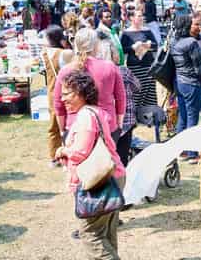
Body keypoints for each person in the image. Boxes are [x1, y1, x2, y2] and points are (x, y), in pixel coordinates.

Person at [54, 70, 125, 260]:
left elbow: (80, 152)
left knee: (91, 235)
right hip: (113, 177)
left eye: (66, 94)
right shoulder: (96, 111)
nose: (62, 99)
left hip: (99, 182)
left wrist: (63, 151)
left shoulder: (85, 116)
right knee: (107, 236)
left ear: (81, 92)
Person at [53, 28, 126, 143]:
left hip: (76, 127)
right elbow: (121, 98)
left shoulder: (66, 70)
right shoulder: (110, 67)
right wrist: (119, 125)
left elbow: (58, 104)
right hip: (106, 126)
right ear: (96, 45)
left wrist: (62, 130)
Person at [171, 15, 201, 163]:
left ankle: (180, 151)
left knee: (183, 116)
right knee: (192, 118)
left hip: (179, 83)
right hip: (192, 84)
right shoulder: (191, 42)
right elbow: (200, 70)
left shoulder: (174, 42)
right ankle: (192, 153)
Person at [42, 25, 74, 168]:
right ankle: (71, 152)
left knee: (54, 125)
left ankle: (54, 155)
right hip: (67, 91)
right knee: (71, 123)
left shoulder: (46, 53)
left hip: (52, 92)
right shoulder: (64, 53)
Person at [120, 9, 158, 107]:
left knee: (150, 92)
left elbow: (156, 46)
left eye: (142, 16)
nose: (141, 18)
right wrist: (133, 47)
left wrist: (148, 45)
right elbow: (122, 49)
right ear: (132, 18)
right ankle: (136, 114)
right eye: (139, 16)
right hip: (135, 67)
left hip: (148, 65)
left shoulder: (147, 31)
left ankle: (150, 114)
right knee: (136, 91)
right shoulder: (126, 33)